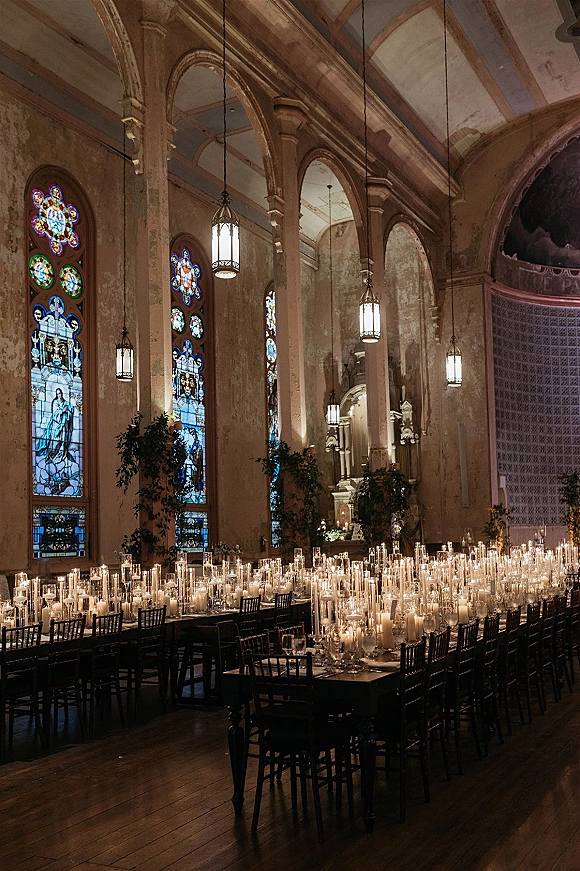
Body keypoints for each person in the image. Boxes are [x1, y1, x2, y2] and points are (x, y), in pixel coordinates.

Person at [36, 386, 74, 464]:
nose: (59, 395)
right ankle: (51, 456)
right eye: (57, 394)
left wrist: (68, 411)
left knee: (62, 440)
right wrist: (62, 411)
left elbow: (70, 413)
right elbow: (54, 414)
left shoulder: (66, 403)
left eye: (60, 393)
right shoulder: (55, 402)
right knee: (55, 441)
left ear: (62, 394)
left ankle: (60, 455)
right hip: (56, 424)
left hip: (64, 425)